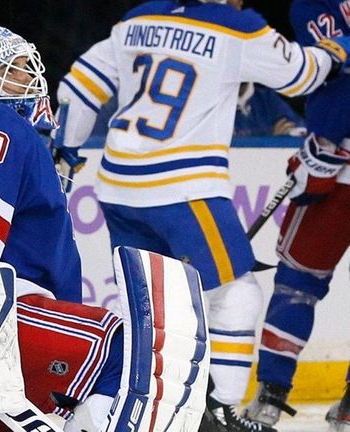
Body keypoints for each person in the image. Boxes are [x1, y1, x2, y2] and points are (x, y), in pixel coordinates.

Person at [0, 24, 210, 432]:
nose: (30, 78)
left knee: (95, 380)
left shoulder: (18, 142)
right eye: (12, 68)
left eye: (25, 66)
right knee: (129, 352)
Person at [54, 0, 350, 430]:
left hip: (116, 183)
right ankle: (223, 412)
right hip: (184, 187)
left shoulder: (139, 15)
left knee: (149, 305)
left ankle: (131, 402)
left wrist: (66, 148)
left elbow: (81, 85)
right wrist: (339, 48)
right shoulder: (236, 25)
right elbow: (301, 75)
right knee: (236, 296)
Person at [241, 0, 350, 429]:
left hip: (335, 160)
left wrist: (324, 139)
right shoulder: (307, 5)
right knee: (297, 283)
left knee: (298, 285)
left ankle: (271, 394)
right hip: (334, 161)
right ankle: (273, 394)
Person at [234, 83, 306, 137]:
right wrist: (270, 139)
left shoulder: (268, 99)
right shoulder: (223, 104)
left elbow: (300, 130)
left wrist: (278, 141)